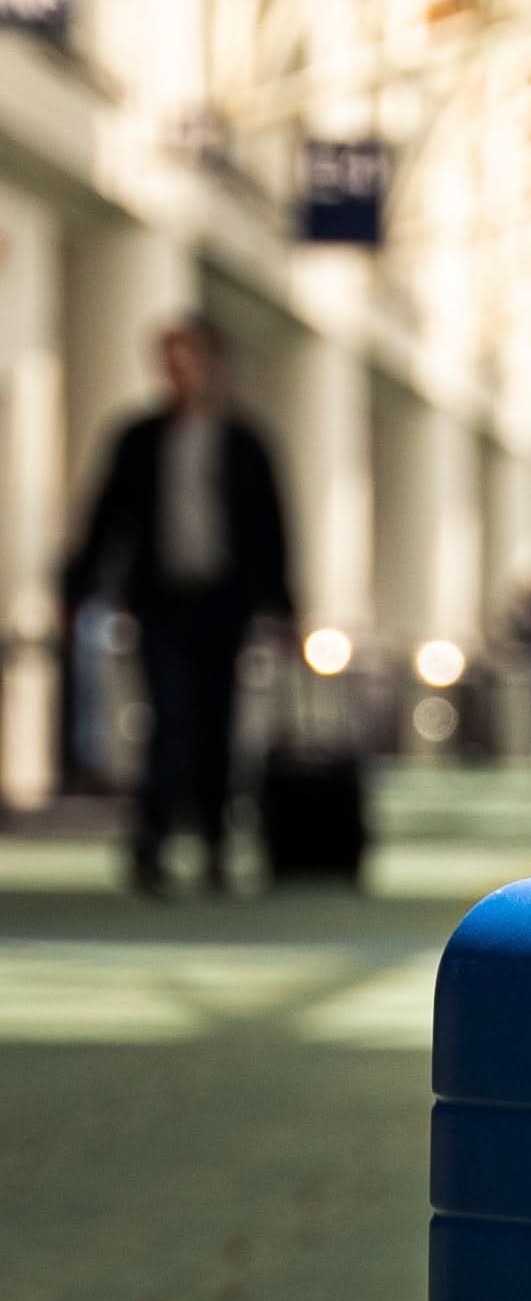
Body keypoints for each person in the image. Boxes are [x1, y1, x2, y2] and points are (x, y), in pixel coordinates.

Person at [63, 315, 293, 894]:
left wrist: (283, 607)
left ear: (213, 363)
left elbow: (271, 529)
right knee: (166, 718)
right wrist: (79, 588)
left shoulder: (245, 443)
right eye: (170, 362)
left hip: (224, 605)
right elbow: (107, 517)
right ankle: (153, 842)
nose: (178, 373)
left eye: (187, 359)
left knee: (217, 724)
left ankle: (215, 842)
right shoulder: (139, 439)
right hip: (161, 603)